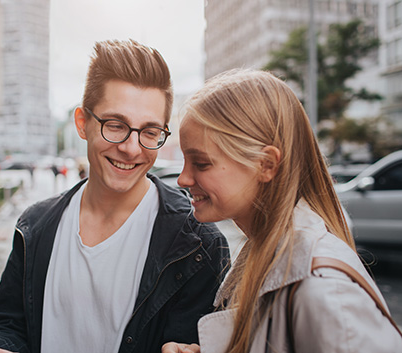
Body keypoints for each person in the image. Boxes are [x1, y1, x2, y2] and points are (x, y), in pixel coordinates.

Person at [0, 40, 230, 353]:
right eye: (116, 125)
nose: (132, 148)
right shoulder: (36, 225)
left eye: (149, 132)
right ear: (82, 123)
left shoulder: (198, 245)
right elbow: (9, 326)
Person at [162, 69, 402, 353]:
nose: (183, 179)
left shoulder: (325, 295)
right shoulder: (267, 255)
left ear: (266, 164)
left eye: (201, 163)